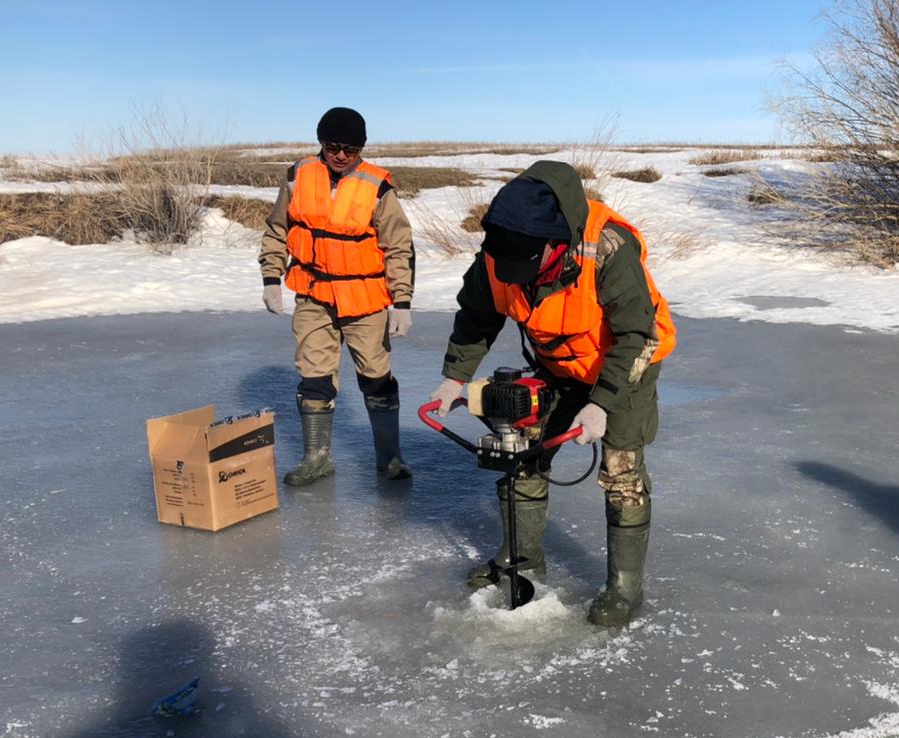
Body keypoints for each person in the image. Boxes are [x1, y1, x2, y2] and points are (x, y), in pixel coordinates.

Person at [427, 160, 676, 626]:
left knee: (622, 474)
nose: (515, 276)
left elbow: (635, 335)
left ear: (554, 244)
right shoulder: (497, 253)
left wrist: (600, 404)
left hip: (628, 363)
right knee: (521, 453)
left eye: (527, 265)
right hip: (558, 367)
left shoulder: (607, 248)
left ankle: (624, 588)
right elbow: (477, 315)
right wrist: (454, 376)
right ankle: (521, 562)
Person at [259, 106, 416, 486]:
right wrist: (270, 276)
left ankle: (389, 458)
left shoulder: (377, 186)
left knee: (376, 377)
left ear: (361, 148)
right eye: (334, 146)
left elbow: (399, 246)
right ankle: (317, 458)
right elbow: (278, 229)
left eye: (351, 148)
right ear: (321, 144)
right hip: (313, 295)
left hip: (365, 300)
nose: (342, 155)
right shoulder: (298, 176)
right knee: (313, 376)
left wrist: (402, 302)